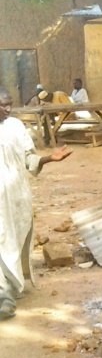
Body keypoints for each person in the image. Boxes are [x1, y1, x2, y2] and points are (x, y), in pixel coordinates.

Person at [0, 86, 72, 320]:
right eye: (2, 105)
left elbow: (29, 159)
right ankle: (5, 297)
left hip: (16, 197)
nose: (7, 108)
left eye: (9, 103)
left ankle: (9, 287)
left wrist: (50, 158)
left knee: (12, 242)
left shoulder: (15, 127)